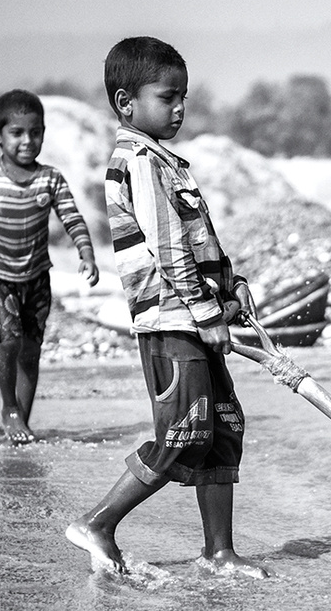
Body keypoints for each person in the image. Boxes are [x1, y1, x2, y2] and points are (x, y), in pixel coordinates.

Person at [65, 36, 265, 579]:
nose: (179, 108)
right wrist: (207, 315)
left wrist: (231, 287)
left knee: (223, 428)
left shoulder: (167, 162)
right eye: (167, 97)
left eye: (183, 98)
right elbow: (171, 250)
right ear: (126, 103)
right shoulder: (138, 162)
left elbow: (200, 241)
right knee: (184, 433)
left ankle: (219, 552)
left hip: (197, 317)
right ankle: (98, 523)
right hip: (172, 324)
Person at [0, 89, 99, 443]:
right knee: (9, 342)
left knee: (31, 351)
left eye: (35, 132)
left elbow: (72, 217)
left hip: (37, 280)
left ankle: (21, 421)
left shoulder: (50, 179)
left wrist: (86, 253)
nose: (27, 141)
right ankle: (9, 409)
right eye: (17, 133)